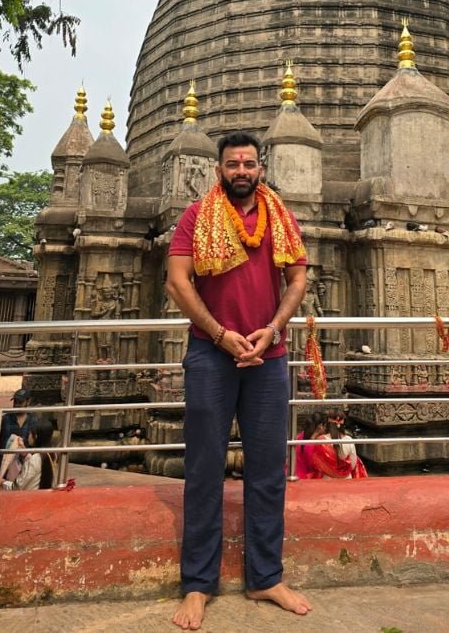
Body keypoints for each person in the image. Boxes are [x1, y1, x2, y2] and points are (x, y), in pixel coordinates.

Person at [165, 131, 312, 629]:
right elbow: (177, 281)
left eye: (249, 163)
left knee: (269, 470)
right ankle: (198, 585)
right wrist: (221, 333)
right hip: (211, 353)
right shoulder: (195, 217)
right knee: (204, 468)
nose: (242, 171)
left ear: (261, 170)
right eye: (233, 164)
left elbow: (297, 280)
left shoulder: (280, 218)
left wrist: (272, 330)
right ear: (219, 171)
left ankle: (265, 576)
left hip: (269, 357)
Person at [0, 417, 56, 491]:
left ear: (36, 436)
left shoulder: (35, 459)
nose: (28, 436)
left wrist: (2, 482)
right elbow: (37, 467)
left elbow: (17, 486)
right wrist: (25, 454)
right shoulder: (52, 453)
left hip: (31, 497)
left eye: (30, 433)